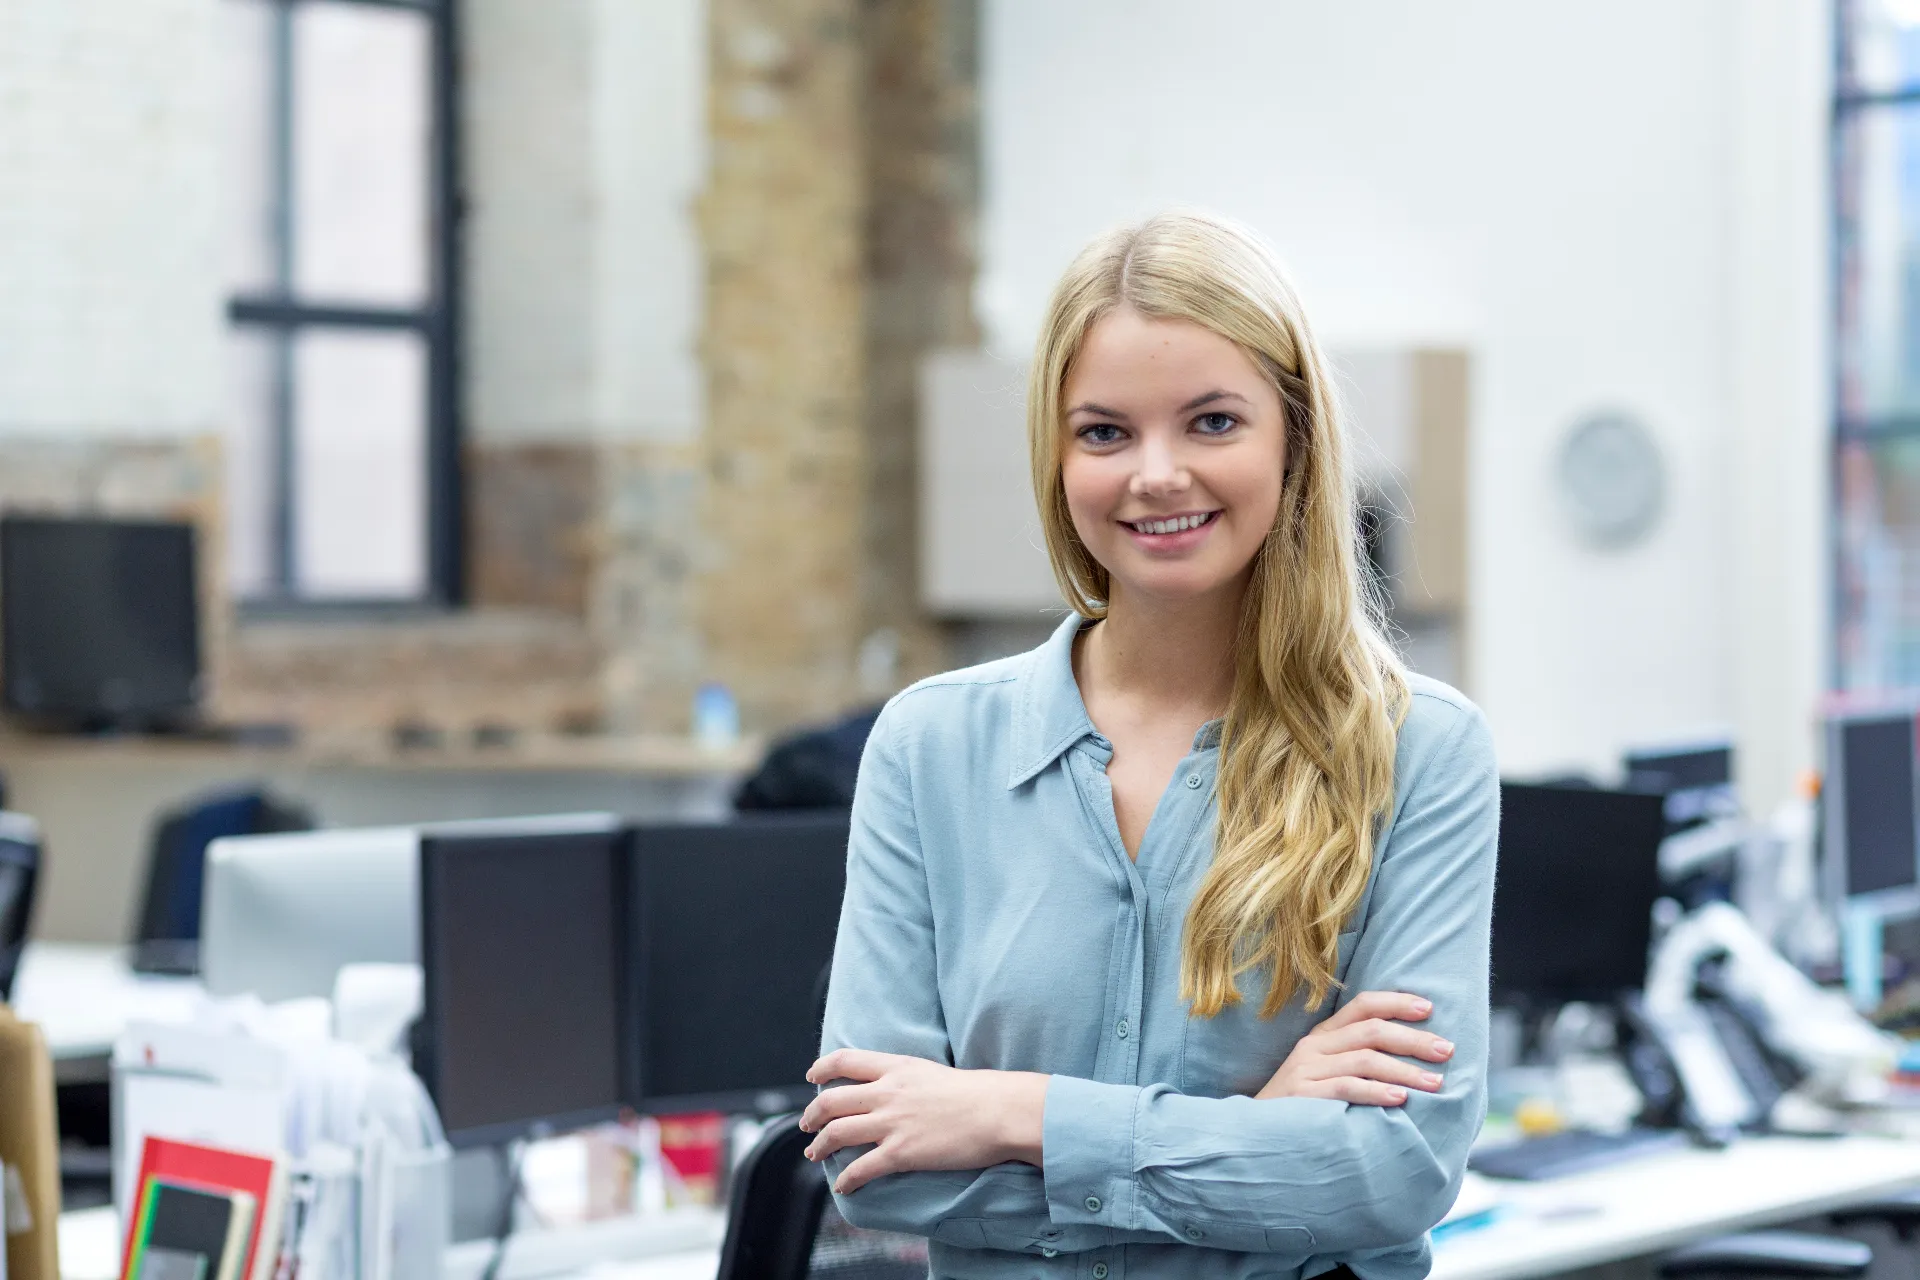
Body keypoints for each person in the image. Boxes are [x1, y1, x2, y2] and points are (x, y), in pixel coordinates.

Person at [801, 209, 1498, 1280]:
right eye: (1105, 432)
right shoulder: (930, 746)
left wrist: (1013, 1111)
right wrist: (1260, 1134)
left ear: (1295, 438)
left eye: (1213, 422)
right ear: (1056, 455)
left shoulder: (1418, 750)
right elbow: (876, 1161)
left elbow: (1394, 1172)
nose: (1157, 473)